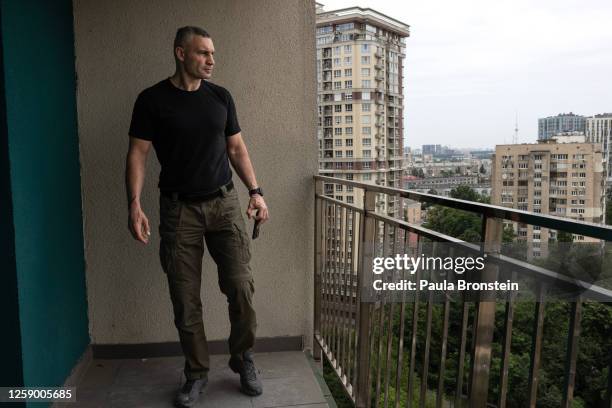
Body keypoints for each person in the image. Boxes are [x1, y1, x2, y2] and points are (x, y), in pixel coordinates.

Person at [125, 26, 269, 408]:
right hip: (178, 210)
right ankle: (196, 373)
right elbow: (138, 153)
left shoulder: (220, 97)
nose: (211, 60)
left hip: (224, 205)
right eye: (203, 53)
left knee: (241, 287)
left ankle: (243, 358)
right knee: (185, 301)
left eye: (212, 54)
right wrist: (134, 203)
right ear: (180, 53)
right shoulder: (151, 100)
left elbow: (236, 149)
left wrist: (256, 192)